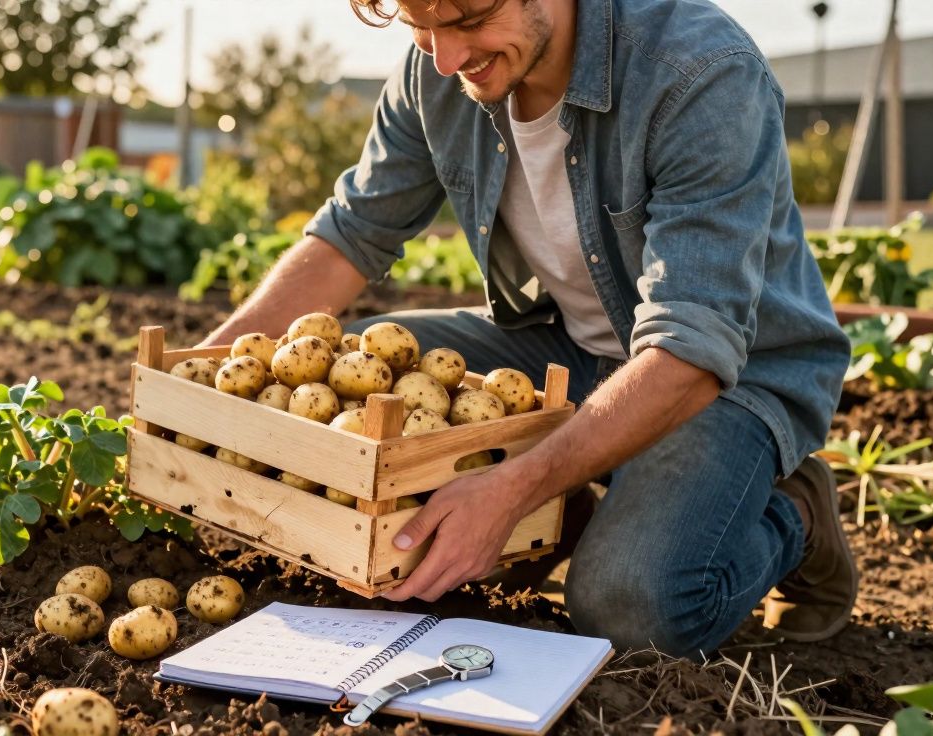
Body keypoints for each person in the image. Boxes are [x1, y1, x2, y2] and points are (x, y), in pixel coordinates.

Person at [197, 0, 855, 658]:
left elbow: (691, 349)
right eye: (420, 27)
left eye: (468, 20)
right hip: (569, 345)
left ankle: (792, 514)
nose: (445, 58)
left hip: (725, 377)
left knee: (629, 605)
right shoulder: (437, 71)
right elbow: (352, 233)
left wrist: (513, 490)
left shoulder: (699, 75)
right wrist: (198, 380)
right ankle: (570, 509)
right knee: (374, 368)